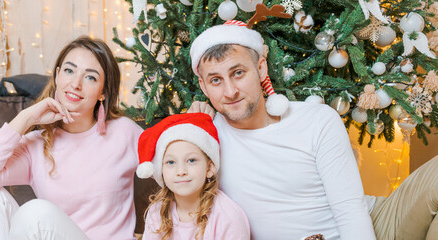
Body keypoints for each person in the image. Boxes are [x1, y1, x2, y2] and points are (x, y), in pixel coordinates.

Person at [187, 20, 438, 240]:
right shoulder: (202, 138)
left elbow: (350, 210)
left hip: (375, 223)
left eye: (238, 73)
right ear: (204, 86)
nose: (230, 91)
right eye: (216, 80)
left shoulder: (316, 119)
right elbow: (154, 166)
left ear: (261, 68)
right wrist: (188, 129)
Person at [0, 36, 143, 240]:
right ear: (57, 76)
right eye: (69, 70)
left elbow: (174, 169)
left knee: (36, 213)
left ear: (103, 91)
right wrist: (26, 117)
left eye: (90, 77)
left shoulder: (124, 132)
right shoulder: (37, 142)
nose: (75, 83)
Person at [135, 113, 250, 240]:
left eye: (191, 160)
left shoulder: (227, 216)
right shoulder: (157, 212)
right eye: (171, 162)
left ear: (210, 168)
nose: (181, 171)